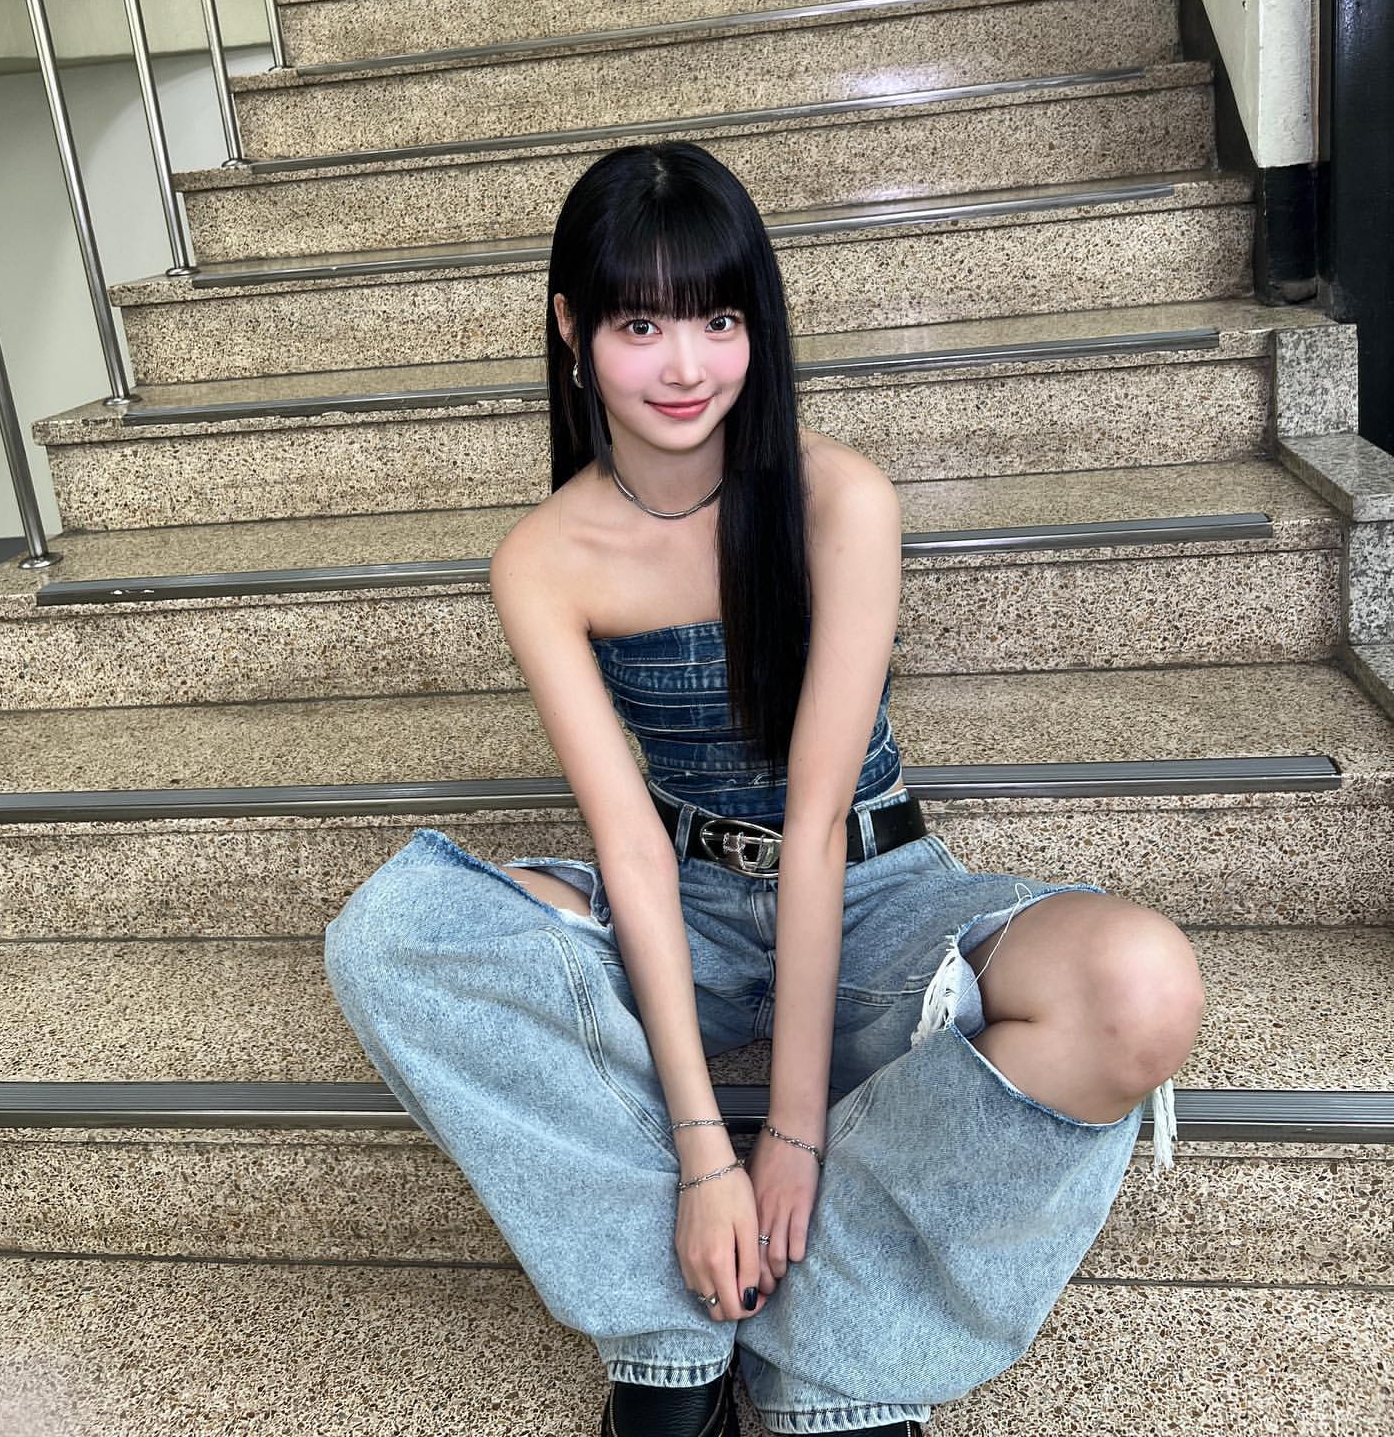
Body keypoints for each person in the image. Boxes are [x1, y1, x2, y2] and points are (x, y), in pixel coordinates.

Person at [323, 140, 1204, 1437]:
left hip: (872, 887)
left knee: (1141, 987)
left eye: (718, 320)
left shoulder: (839, 499)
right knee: (391, 935)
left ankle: (828, 1351)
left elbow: (813, 819)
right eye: (640, 324)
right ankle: (670, 1336)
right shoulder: (545, 558)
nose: (685, 366)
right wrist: (702, 1153)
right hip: (681, 897)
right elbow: (630, 846)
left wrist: (789, 1136)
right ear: (571, 328)